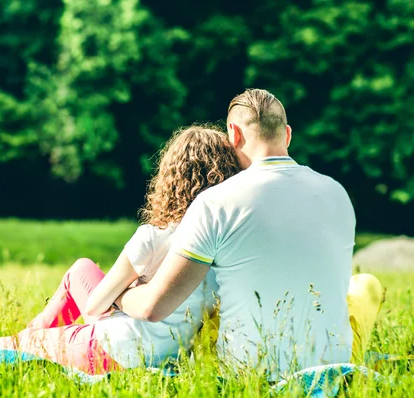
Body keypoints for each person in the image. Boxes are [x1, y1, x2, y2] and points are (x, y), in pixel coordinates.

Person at [111, 89, 383, 376]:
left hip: (249, 372)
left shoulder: (215, 202)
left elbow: (154, 307)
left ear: (234, 134)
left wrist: (121, 296)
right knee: (363, 285)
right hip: (331, 360)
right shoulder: (337, 193)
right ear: (287, 134)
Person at [0, 126, 243, 374]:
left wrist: (123, 294)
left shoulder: (155, 236)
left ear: (172, 178)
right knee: (81, 270)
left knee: (4, 346)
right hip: (156, 358)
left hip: (107, 348)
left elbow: (96, 305)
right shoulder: (228, 254)